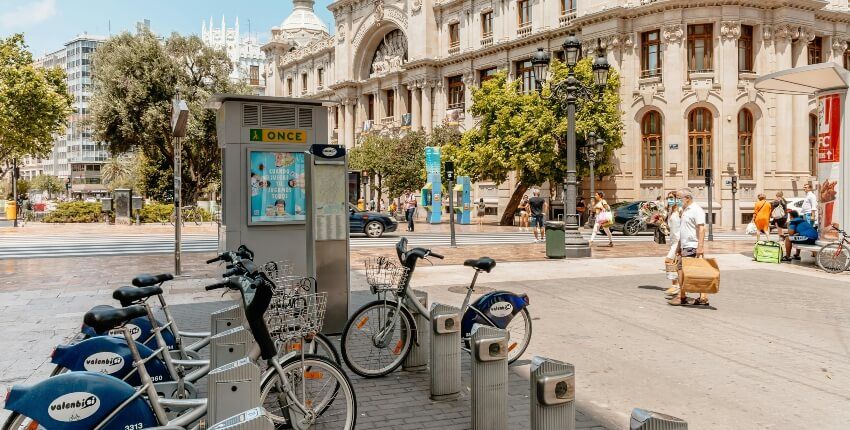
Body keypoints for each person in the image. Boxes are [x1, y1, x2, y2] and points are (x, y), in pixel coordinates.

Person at [670, 188, 709, 306]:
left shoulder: (696, 210)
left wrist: (700, 247)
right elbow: (684, 230)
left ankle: (681, 296)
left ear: (687, 198)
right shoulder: (685, 210)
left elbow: (701, 228)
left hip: (692, 245)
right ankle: (703, 297)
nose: (677, 201)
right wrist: (679, 246)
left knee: (681, 270)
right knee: (693, 271)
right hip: (685, 245)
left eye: (679, 198)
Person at [664, 191, 683, 295]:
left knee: (668, 261)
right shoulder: (670, 211)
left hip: (678, 242)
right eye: (668, 198)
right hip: (672, 241)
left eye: (671, 198)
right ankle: (678, 286)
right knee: (676, 264)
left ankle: (675, 285)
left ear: (677, 199)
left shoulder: (680, 210)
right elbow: (671, 226)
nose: (669, 200)